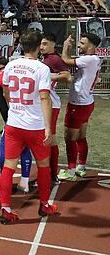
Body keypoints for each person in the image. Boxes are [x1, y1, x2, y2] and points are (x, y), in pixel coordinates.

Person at [0, 30, 58, 224]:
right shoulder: (42, 68)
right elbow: (44, 98)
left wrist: (16, 108)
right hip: (35, 125)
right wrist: (48, 128)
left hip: (14, 124)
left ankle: (6, 209)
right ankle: (44, 205)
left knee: (8, 166)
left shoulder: (10, 65)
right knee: (43, 165)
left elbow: (6, 92)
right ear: (38, 45)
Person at [0, 57, 33, 197]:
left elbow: (5, 100)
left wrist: (9, 119)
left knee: (5, 149)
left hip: (14, 119)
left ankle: (3, 186)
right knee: (25, 148)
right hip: (28, 117)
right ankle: (24, 183)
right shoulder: (20, 73)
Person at [58, 33, 102, 180]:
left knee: (69, 138)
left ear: (91, 46)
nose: (78, 45)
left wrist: (65, 47)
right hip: (87, 102)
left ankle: (70, 172)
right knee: (81, 136)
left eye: (82, 43)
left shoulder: (88, 59)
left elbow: (65, 60)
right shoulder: (94, 59)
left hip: (78, 104)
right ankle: (81, 167)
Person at [39, 32, 72, 182]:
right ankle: (48, 174)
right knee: (45, 138)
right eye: (40, 44)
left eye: (45, 44)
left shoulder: (54, 59)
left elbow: (67, 76)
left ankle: (52, 175)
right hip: (46, 102)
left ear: (53, 44)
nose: (41, 47)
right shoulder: (47, 58)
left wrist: (48, 76)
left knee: (49, 138)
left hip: (51, 103)